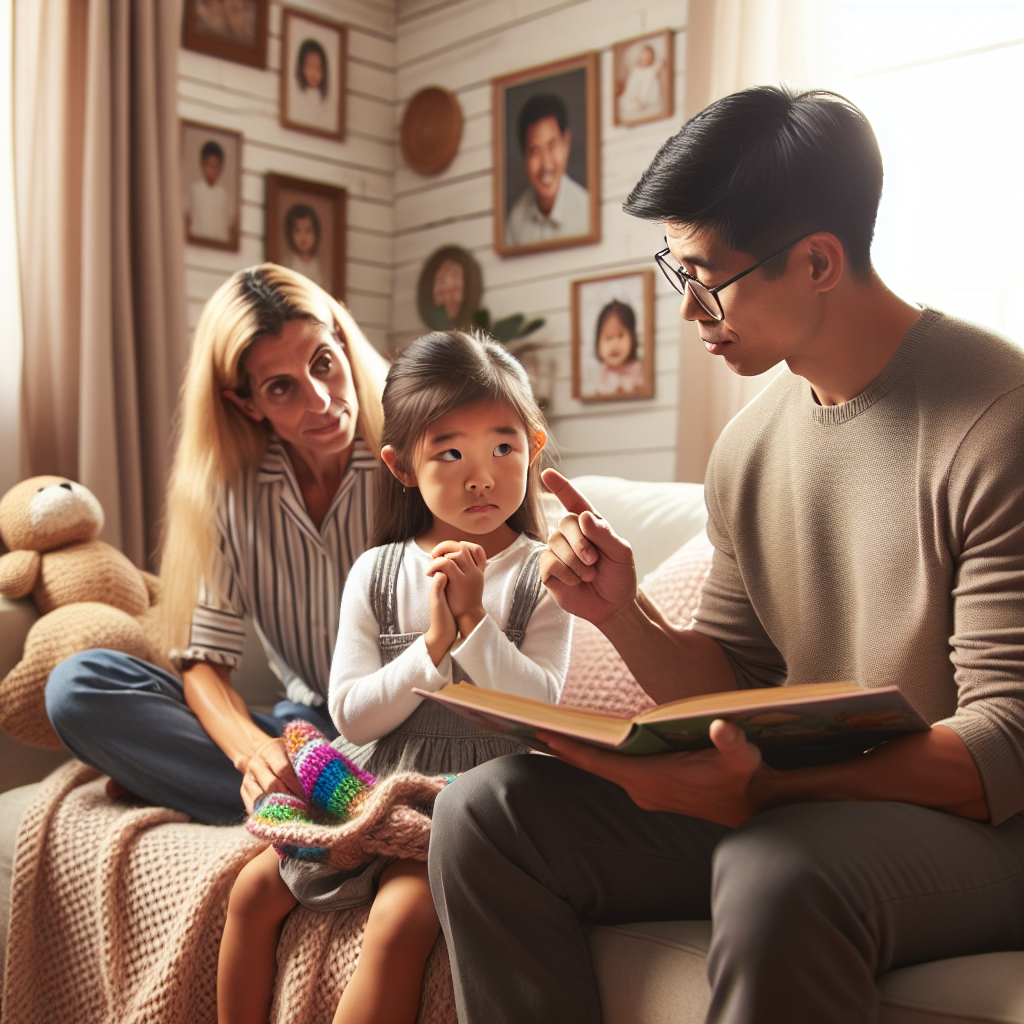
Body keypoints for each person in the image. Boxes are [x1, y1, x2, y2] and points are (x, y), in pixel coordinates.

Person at [429, 85, 1024, 1024]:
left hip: (985, 827)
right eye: (677, 271)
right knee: (484, 817)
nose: (689, 308)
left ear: (819, 260)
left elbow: (1006, 745)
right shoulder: (746, 449)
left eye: (706, 276)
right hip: (811, 803)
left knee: (772, 867)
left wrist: (775, 784)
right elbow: (732, 679)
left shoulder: (995, 416)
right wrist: (620, 610)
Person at [217, 330, 573, 1024]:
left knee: (402, 917)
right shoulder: (377, 572)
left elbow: (541, 709)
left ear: (533, 446)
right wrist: (433, 649)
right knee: (251, 893)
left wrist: (474, 626)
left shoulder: (542, 574)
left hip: (475, 794)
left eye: (503, 447)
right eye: (450, 451)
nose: (482, 475)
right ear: (402, 465)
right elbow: (351, 715)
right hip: (372, 775)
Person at [45, 264, 389, 826]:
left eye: (323, 363)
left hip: (422, 728)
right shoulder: (229, 493)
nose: (322, 400)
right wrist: (256, 755)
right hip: (310, 730)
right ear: (247, 403)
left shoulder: (421, 455)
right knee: (78, 688)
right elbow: (204, 665)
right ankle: (316, 793)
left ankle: (295, 797)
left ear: (344, 346)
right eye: (282, 387)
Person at [505, 93, 590, 247]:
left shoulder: (587, 213)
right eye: (534, 150)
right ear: (524, 157)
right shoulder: (516, 220)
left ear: (566, 143)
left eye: (551, 146)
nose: (546, 165)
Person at [591, 299, 644, 398]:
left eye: (620, 336)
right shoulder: (602, 374)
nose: (614, 345)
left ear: (632, 337)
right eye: (608, 338)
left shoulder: (638, 369)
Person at [188, 140, 233, 245]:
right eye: (209, 165)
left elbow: (229, 225)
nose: (212, 170)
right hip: (197, 243)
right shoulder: (194, 190)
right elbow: (187, 218)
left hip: (219, 245)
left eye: (216, 166)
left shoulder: (224, 195)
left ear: (220, 169)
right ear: (202, 165)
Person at [289, 37, 335, 132]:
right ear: (301, 67)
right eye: (309, 66)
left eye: (318, 67)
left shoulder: (328, 107)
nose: (314, 73)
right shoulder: (295, 100)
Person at [282, 203, 328, 291]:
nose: (303, 237)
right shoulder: (289, 262)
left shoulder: (318, 263)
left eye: (308, 230)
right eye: (298, 231)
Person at [617, 43, 666, 123]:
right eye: (644, 56)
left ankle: (640, 104)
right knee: (624, 102)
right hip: (634, 97)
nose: (646, 58)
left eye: (649, 56)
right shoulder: (635, 70)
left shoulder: (653, 69)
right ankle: (636, 105)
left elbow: (660, 64)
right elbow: (631, 88)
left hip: (647, 97)